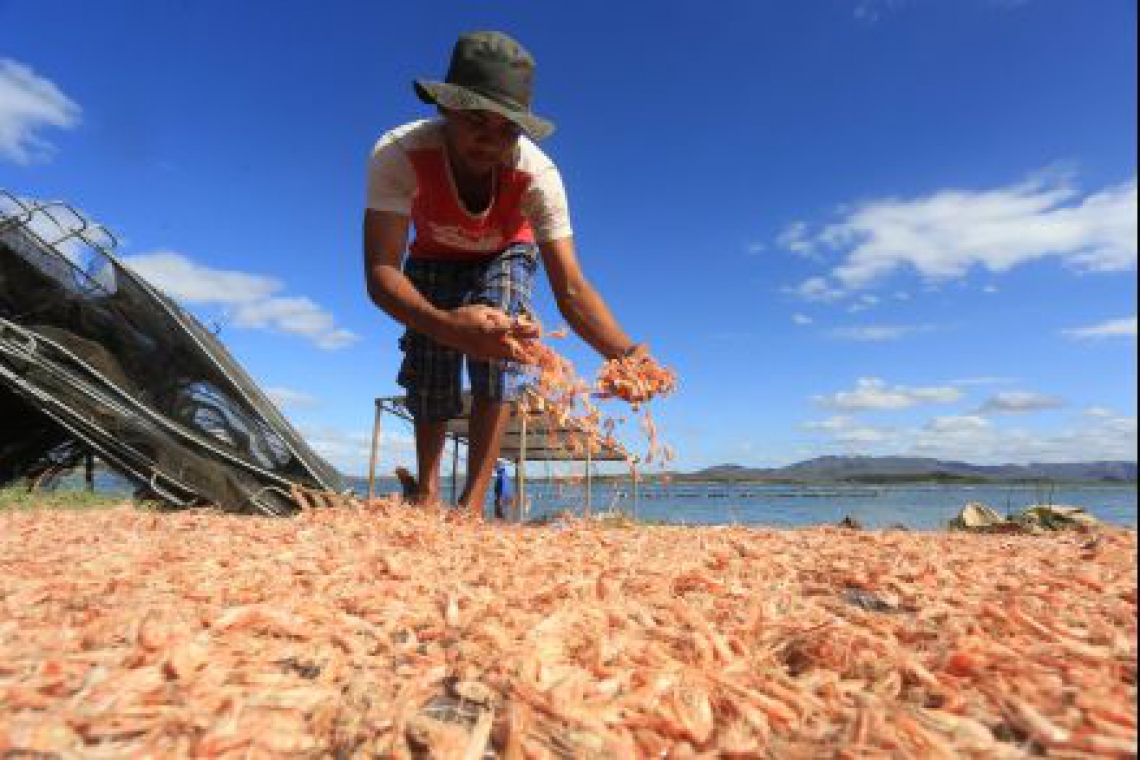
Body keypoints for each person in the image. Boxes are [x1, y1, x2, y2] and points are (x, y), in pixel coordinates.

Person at [363, 31, 651, 518]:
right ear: (446, 111)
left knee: (503, 345)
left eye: (507, 129)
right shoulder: (399, 153)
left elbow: (572, 289)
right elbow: (382, 271)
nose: (490, 141)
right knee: (429, 365)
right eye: (476, 122)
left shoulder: (537, 176)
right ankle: (427, 494)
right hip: (431, 258)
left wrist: (625, 355)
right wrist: (446, 325)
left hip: (503, 253)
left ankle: (473, 505)